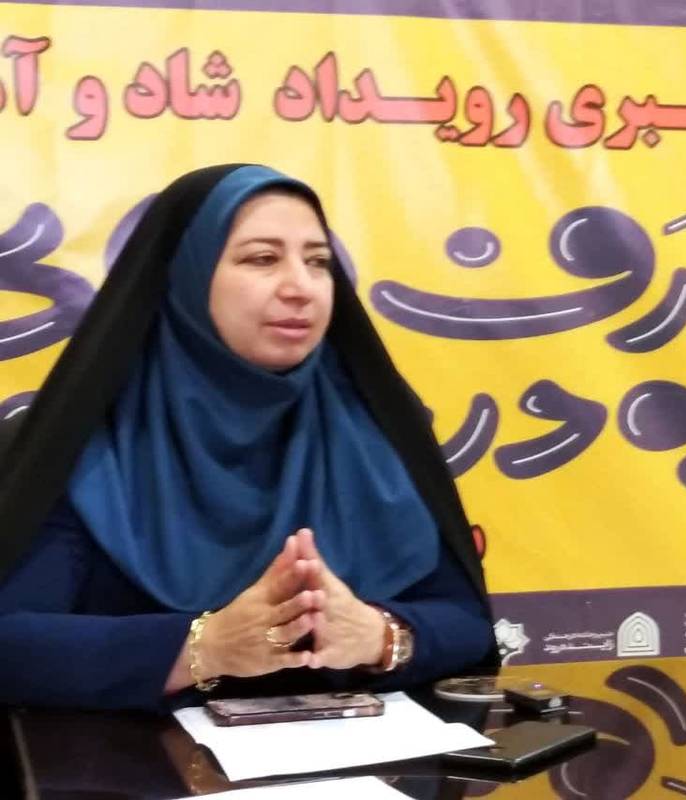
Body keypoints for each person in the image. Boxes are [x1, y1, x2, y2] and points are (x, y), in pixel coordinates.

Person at [0, 164, 496, 711]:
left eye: (318, 262)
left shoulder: (380, 430)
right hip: (136, 759)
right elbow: (12, 643)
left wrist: (378, 635)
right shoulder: (82, 440)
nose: (300, 288)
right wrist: (203, 647)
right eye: (262, 259)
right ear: (185, 275)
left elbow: (467, 621)